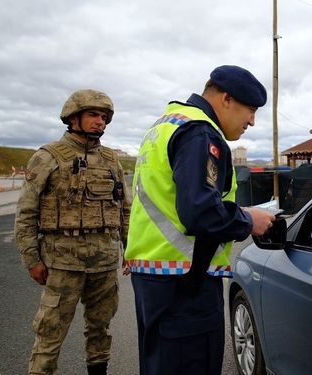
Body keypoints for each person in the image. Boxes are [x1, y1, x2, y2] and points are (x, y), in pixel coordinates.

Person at [124, 65, 277, 375]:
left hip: (154, 276)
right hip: (184, 284)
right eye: (250, 110)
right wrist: (249, 221)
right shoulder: (200, 132)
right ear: (226, 99)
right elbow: (201, 212)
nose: (252, 121)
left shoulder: (166, 125)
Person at [14, 89, 131, 375]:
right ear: (73, 117)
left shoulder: (110, 159)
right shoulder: (48, 157)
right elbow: (26, 213)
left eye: (104, 117)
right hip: (62, 263)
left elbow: (124, 209)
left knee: (100, 331)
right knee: (49, 335)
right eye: (93, 115)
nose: (100, 122)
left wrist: (131, 250)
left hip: (104, 263)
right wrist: (32, 260)